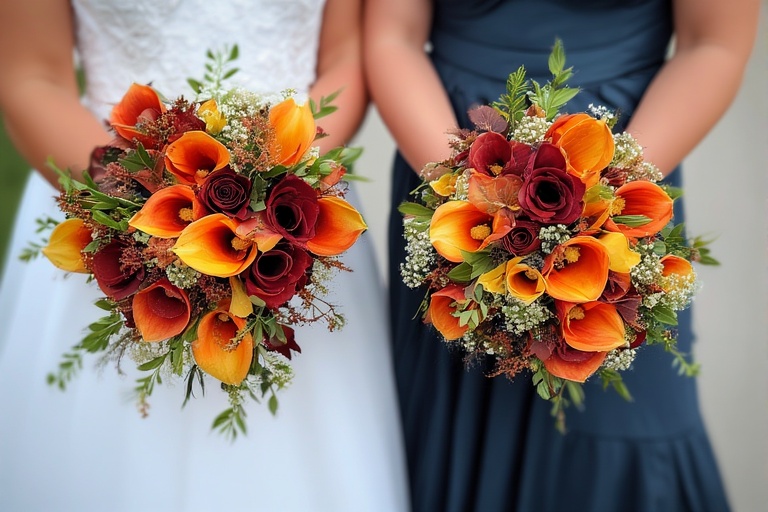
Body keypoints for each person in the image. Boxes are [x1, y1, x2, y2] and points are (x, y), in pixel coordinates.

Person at [0, 1, 409, 511]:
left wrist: (282, 188)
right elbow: (32, 75)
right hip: (107, 191)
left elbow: (345, 55)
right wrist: (136, 205)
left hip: (293, 202)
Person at [364, 0, 759, 511]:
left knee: (616, 416)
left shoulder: (619, 182)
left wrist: (607, 194)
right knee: (451, 423)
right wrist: (462, 190)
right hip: (446, 154)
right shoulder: (453, 182)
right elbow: (391, 33)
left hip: (628, 157)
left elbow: (715, 43)